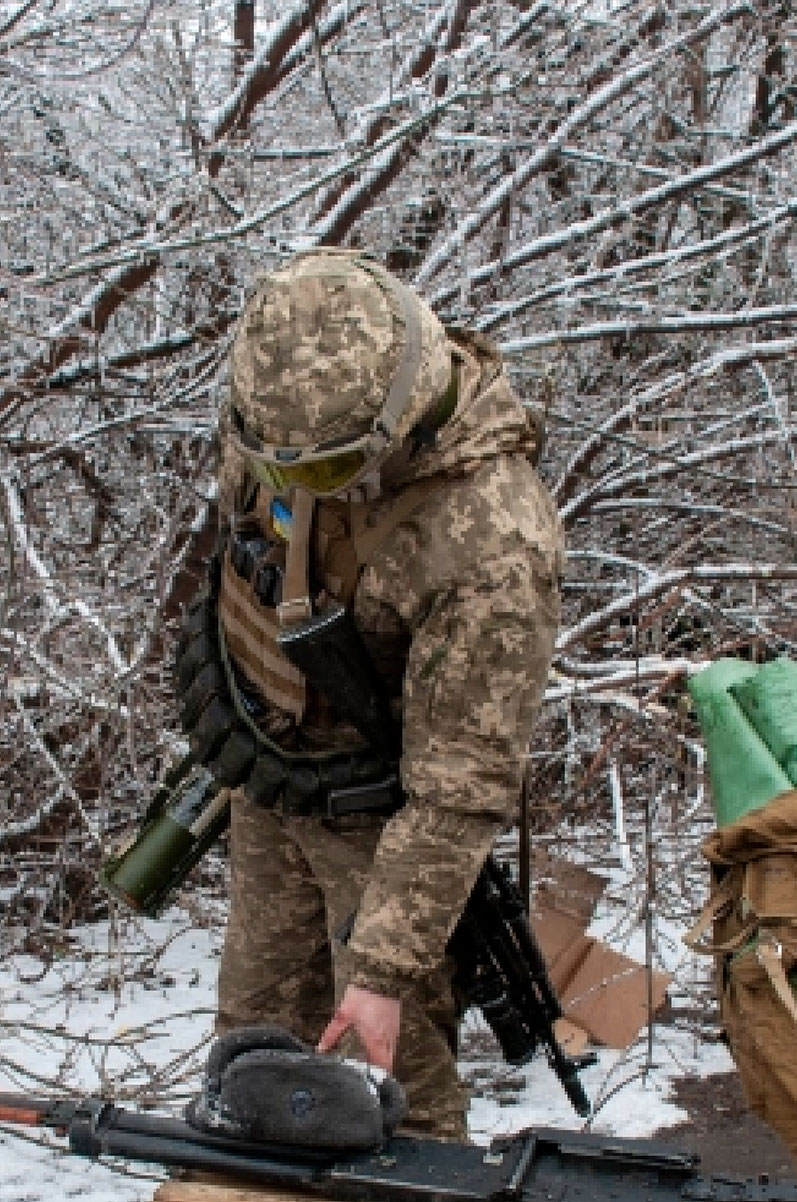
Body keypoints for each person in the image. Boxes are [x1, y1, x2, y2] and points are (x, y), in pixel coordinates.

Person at [178, 249, 562, 1139]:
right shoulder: (283, 415)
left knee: (390, 1083)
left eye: (317, 474)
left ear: (394, 422)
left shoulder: (487, 541)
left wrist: (385, 966)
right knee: (254, 1052)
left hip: (390, 829)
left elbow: (459, 786)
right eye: (268, 460)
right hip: (276, 781)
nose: (283, 486)